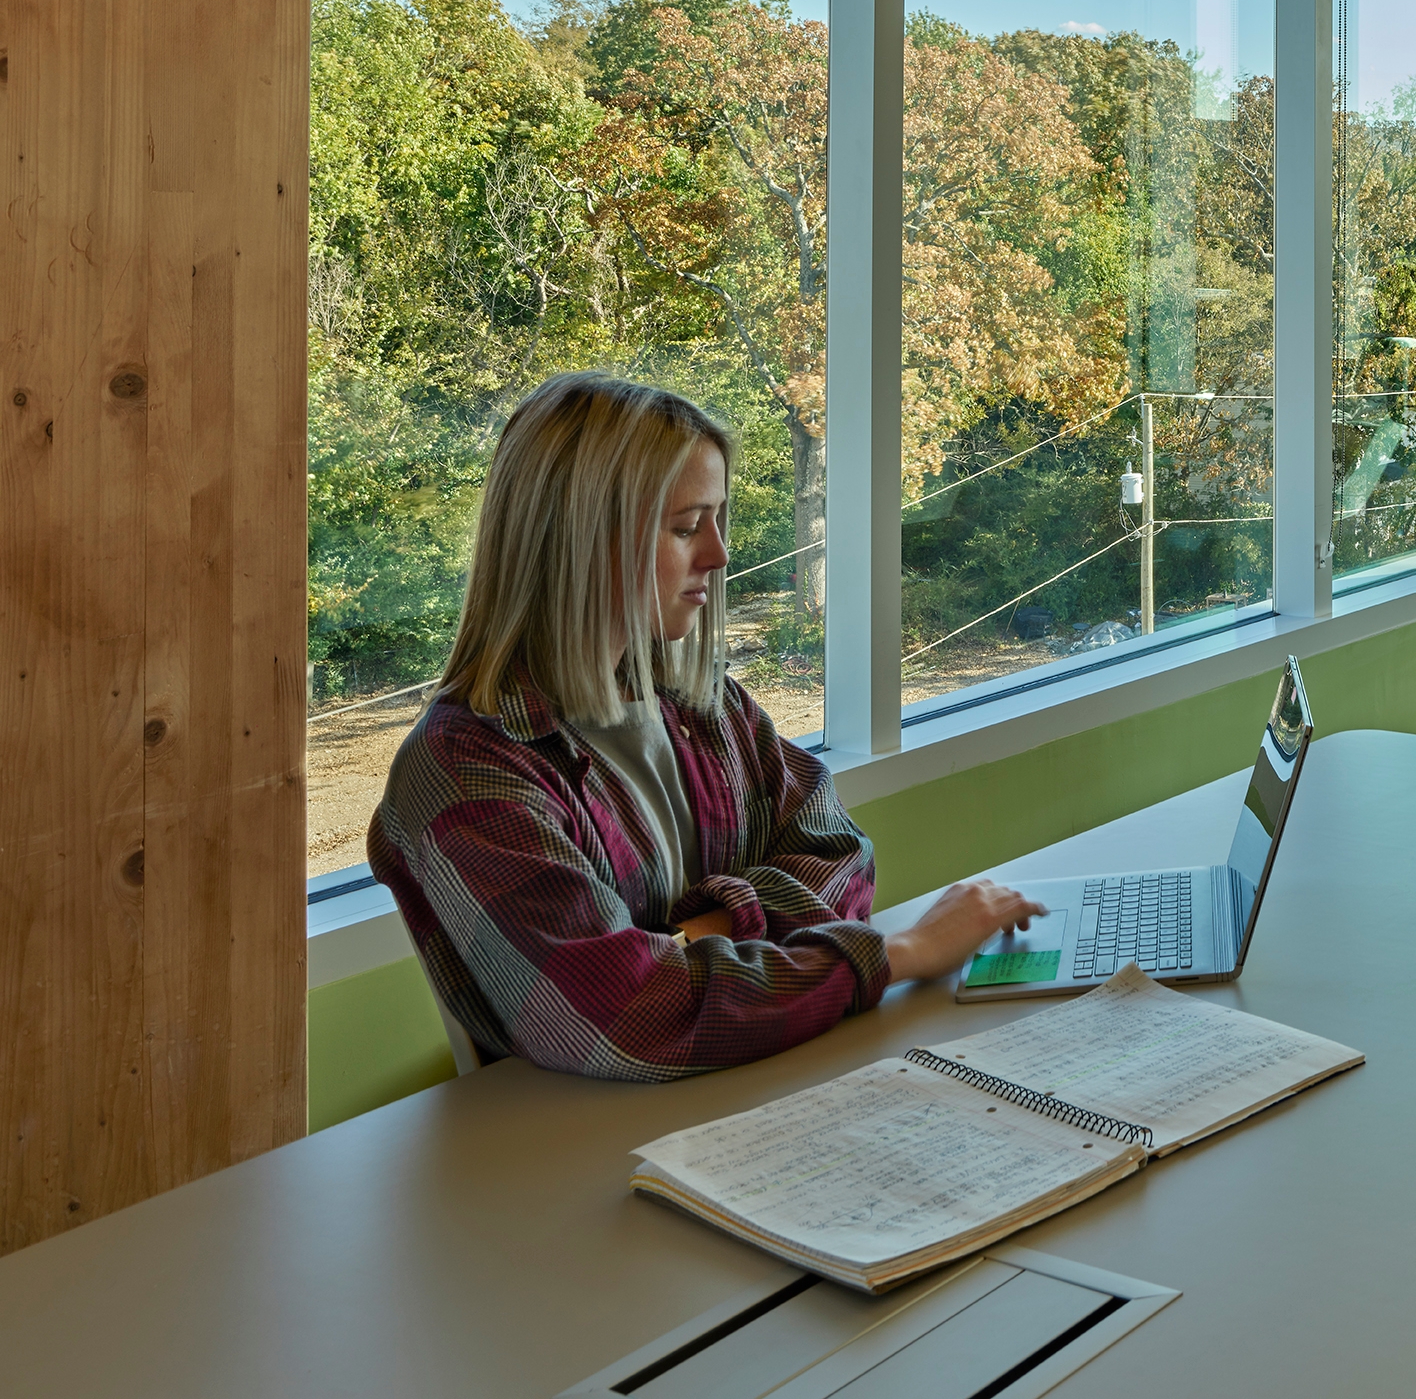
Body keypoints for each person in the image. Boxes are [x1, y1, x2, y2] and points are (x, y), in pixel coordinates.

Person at [369, 372, 1036, 1080]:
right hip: (594, 1136)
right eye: (687, 527)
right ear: (578, 540)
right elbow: (632, 1017)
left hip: (763, 1072)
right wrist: (904, 953)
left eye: (717, 520)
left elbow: (841, 858)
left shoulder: (703, 705)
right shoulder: (467, 771)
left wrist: (705, 932)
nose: (718, 556)